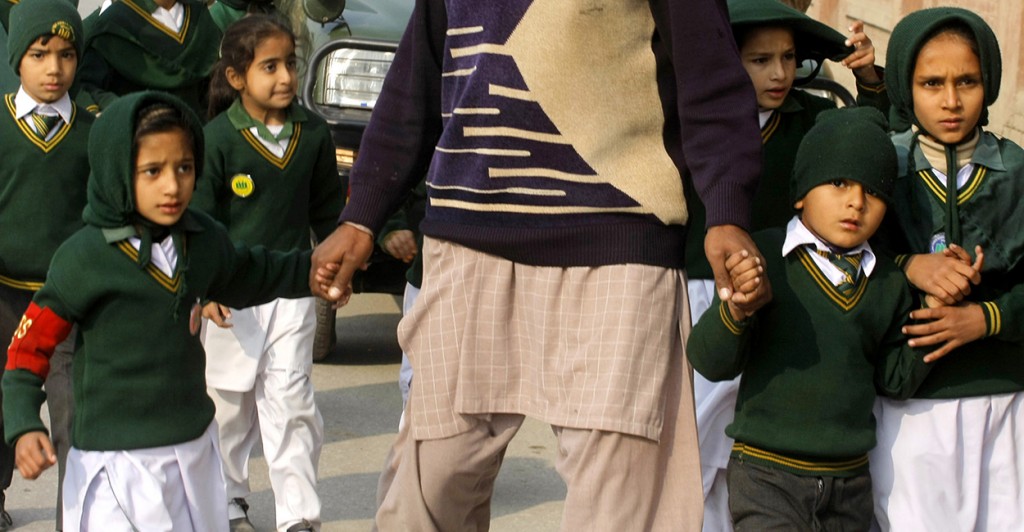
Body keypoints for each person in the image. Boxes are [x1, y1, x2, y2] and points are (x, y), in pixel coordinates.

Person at [310, 0, 767, 529]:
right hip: (468, 246)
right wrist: (362, 216)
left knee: (621, 505)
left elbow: (710, 79)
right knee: (426, 491)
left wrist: (726, 212)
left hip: (617, 248)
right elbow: (414, 83)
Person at [1, 91, 319, 531]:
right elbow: (27, 349)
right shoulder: (83, 258)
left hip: (192, 453)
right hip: (114, 463)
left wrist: (316, 272)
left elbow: (251, 272)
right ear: (116, 172)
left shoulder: (202, 240)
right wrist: (21, 424)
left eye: (184, 168)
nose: (173, 186)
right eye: (152, 171)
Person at [683, 2, 887, 528]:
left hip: (788, 301)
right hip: (702, 294)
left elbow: (869, 149)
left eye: (790, 57)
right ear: (726, 58)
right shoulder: (692, 126)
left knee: (751, 443)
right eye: (760, 60)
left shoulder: (813, 121)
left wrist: (869, 82)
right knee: (695, 445)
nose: (780, 73)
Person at [688, 107, 937, 531]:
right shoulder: (764, 259)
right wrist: (736, 309)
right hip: (767, 475)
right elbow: (710, 360)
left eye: (873, 192)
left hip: (850, 483)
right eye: (839, 183)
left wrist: (932, 314)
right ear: (802, 192)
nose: (856, 202)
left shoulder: (889, 282)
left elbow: (893, 380)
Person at [869, 8, 1024, 531]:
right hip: (911, 409)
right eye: (931, 83)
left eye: (968, 81)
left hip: (1006, 400)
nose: (952, 100)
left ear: (990, 83)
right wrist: (909, 264)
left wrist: (987, 318)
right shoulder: (880, 170)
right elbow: (839, 268)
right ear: (903, 85)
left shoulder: (1017, 172)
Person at [192, 14, 342, 532]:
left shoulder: (314, 134)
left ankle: (299, 516)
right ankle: (228, 501)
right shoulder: (216, 139)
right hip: (232, 298)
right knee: (228, 406)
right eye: (269, 66)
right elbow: (202, 224)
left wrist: (338, 269)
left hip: (293, 291)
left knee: (292, 401)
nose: (284, 77)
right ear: (236, 77)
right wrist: (204, 290)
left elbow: (328, 213)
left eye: (290, 65)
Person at [0, 0, 92, 528]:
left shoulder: (92, 134)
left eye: (65, 54)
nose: (54, 68)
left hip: (64, 306)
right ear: (18, 58)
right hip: (3, 298)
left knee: (73, 418)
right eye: (39, 54)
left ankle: (77, 518)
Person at [76, 0, 220, 117]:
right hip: (138, 135)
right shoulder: (115, 22)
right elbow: (86, 87)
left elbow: (215, 86)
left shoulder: (200, 17)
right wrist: (125, 110)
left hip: (196, 134)